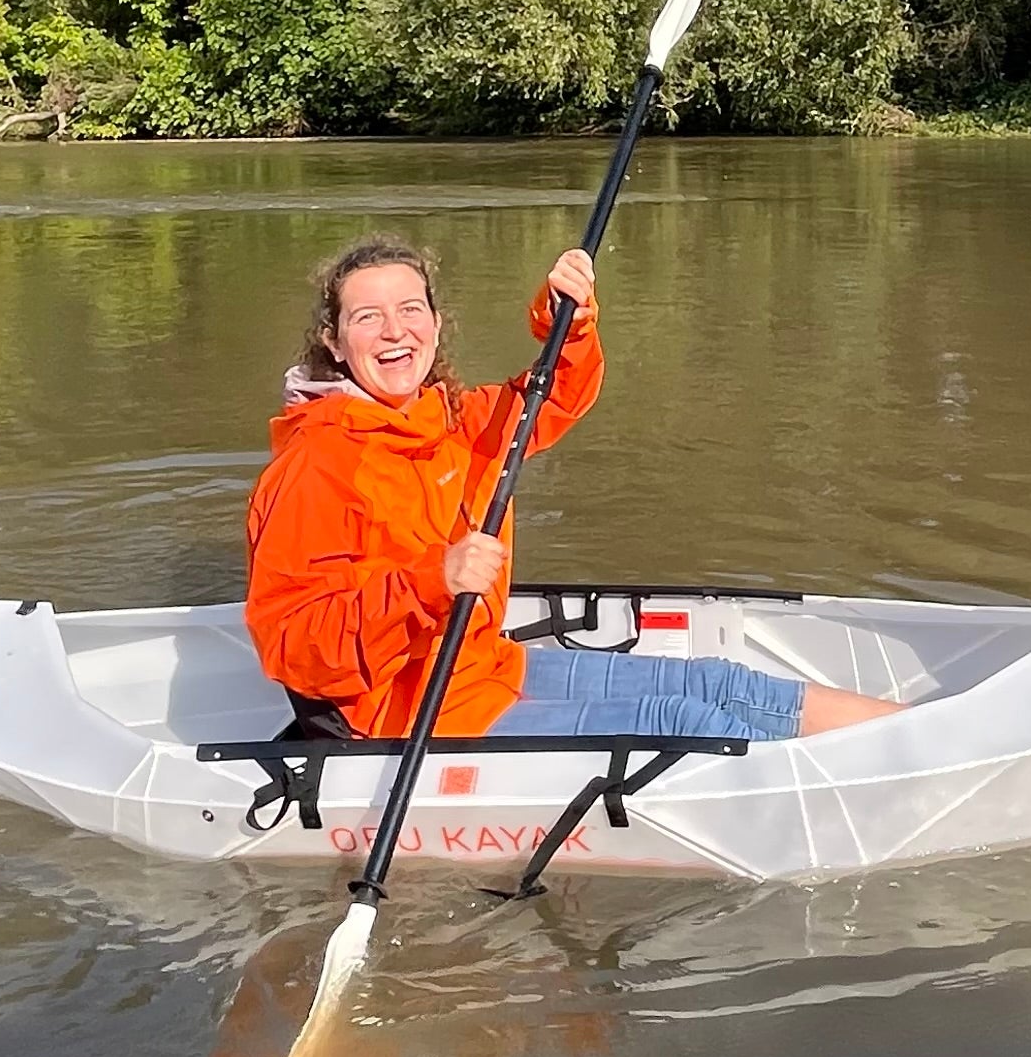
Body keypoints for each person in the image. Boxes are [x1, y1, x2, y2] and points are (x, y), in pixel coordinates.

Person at [244, 236, 899, 742]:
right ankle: (850, 803)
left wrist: (570, 321)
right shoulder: (315, 465)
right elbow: (297, 650)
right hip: (405, 716)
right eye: (368, 316)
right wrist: (430, 578)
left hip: (486, 671)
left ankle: (927, 735)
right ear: (333, 340)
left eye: (410, 308)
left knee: (717, 684)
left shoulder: (454, 421)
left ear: (437, 324)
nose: (394, 330)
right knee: (677, 720)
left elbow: (551, 395)